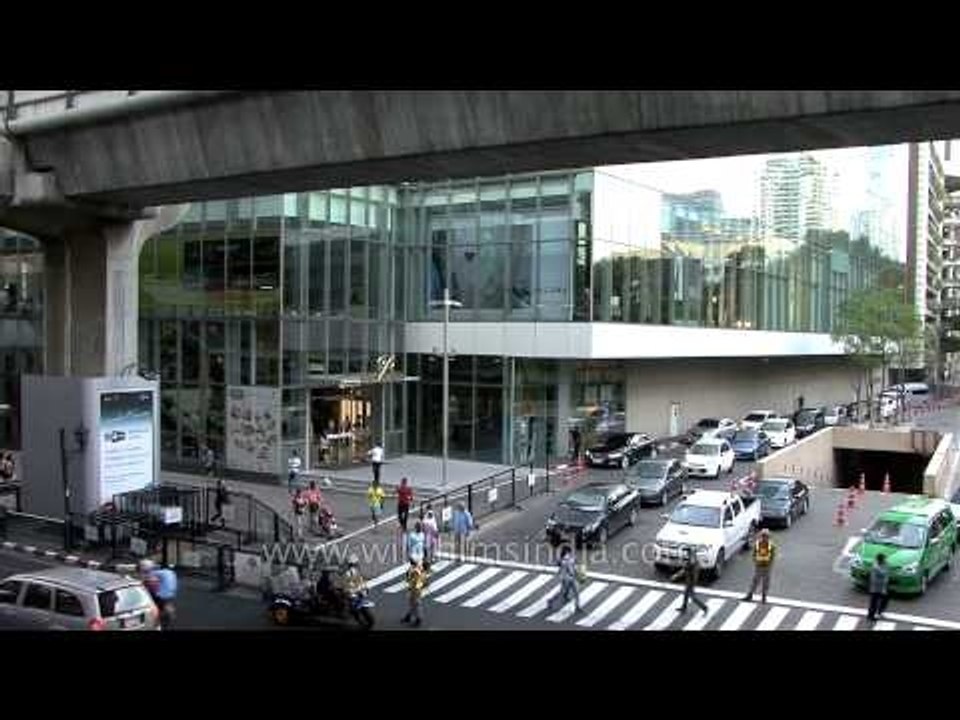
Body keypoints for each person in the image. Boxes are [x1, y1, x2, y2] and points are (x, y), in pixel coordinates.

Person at [139, 559, 178, 630]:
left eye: (142, 569)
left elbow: (150, 584)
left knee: (154, 607)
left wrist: (143, 586)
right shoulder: (167, 572)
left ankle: (157, 623)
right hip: (170, 594)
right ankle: (168, 617)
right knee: (167, 606)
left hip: (161, 595)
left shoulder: (152, 575)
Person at [742, 528, 776, 604]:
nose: (764, 538)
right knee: (755, 581)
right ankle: (750, 595)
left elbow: (773, 556)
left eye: (766, 536)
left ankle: (764, 597)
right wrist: (756, 562)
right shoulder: (757, 544)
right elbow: (754, 554)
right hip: (759, 565)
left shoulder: (771, 545)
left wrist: (769, 565)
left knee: (765, 582)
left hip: (767, 566)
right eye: (763, 536)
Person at [672, 546, 708, 615]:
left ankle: (704, 607)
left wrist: (676, 576)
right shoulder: (693, 560)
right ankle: (684, 607)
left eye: (687, 552)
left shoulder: (691, 561)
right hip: (690, 580)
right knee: (686, 594)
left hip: (690, 581)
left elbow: (685, 570)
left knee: (693, 598)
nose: (686, 554)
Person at [547, 545, 582, 613]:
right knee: (561, 593)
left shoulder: (572, 558)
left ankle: (577, 607)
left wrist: (578, 573)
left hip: (573, 577)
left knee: (576, 592)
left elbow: (576, 565)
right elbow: (556, 564)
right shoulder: (562, 559)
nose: (570, 553)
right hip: (566, 578)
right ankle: (550, 600)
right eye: (569, 551)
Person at [402, 559, 427, 627]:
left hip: (415, 590)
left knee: (416, 605)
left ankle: (418, 619)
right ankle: (409, 616)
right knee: (412, 603)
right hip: (415, 589)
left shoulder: (416, 571)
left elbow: (414, 581)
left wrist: (412, 589)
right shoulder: (417, 569)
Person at [867, 553, 890, 622]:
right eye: (884, 559)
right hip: (876, 588)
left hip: (882, 587)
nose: (885, 560)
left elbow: (886, 572)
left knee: (884, 599)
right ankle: (871, 616)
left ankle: (879, 612)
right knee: (874, 602)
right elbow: (883, 573)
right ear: (881, 560)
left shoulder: (882, 564)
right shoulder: (876, 567)